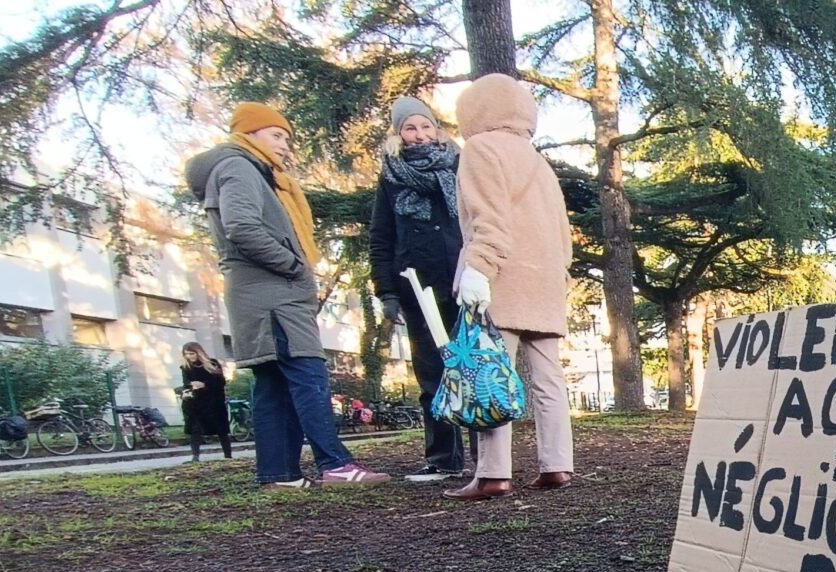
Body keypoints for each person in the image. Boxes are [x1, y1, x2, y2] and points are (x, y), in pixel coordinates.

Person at [184, 101, 388, 488]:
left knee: (274, 385)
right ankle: (335, 464)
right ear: (250, 133)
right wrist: (294, 265)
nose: (284, 146)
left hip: (261, 295)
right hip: (273, 297)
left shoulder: (249, 170)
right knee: (309, 374)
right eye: (277, 135)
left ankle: (280, 475)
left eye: (287, 138)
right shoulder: (239, 166)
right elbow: (241, 227)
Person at [447, 74, 575, 501]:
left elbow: (490, 219)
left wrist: (478, 269)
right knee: (548, 379)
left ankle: (493, 473)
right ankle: (557, 465)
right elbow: (564, 233)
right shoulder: (538, 161)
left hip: (502, 276)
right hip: (546, 280)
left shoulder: (481, 149)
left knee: (488, 371)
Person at [369, 96, 471, 483]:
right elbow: (381, 238)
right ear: (398, 133)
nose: (419, 134)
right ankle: (443, 458)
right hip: (417, 287)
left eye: (425, 126)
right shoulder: (390, 178)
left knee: (474, 369)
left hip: (463, 282)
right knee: (432, 376)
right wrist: (387, 292)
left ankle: (488, 458)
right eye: (410, 128)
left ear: (437, 128)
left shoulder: (460, 166)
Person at [179, 341, 232, 461]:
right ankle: (195, 456)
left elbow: (221, 382)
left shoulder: (212, 363)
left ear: (198, 353)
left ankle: (228, 455)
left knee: (221, 429)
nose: (189, 356)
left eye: (192, 353)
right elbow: (186, 383)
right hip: (195, 402)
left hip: (213, 401)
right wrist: (188, 388)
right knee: (195, 428)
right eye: (186, 354)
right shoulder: (186, 367)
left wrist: (204, 385)